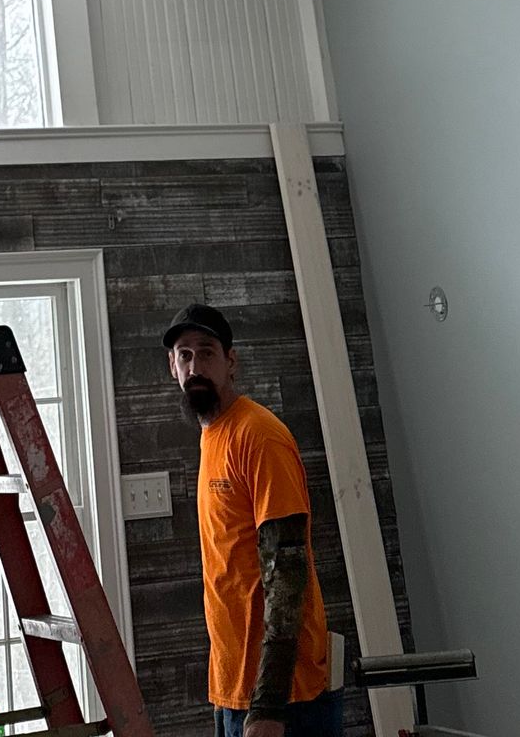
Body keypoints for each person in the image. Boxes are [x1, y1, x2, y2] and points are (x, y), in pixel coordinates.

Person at [164, 300, 341, 737]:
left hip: (287, 701)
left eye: (206, 352)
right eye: (184, 355)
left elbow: (288, 574)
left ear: (231, 361)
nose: (195, 365)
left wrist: (266, 705)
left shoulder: (259, 436)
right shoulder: (212, 438)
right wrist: (231, 699)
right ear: (172, 366)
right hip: (236, 692)